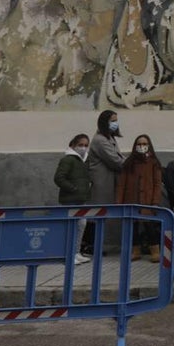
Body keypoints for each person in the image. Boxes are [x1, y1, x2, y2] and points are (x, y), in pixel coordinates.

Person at [81, 110, 123, 256]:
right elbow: (115, 160)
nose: (115, 123)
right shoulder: (100, 140)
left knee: (100, 214)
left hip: (107, 181)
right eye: (112, 120)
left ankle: (92, 244)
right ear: (104, 122)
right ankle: (88, 245)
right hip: (101, 182)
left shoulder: (109, 138)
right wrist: (130, 166)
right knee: (96, 214)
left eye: (116, 120)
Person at [117, 134, 164, 262]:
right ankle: (135, 251)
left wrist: (155, 201)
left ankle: (155, 251)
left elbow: (157, 184)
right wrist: (119, 202)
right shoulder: (129, 162)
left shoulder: (154, 162)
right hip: (131, 199)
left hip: (147, 200)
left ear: (149, 146)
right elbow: (122, 183)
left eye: (144, 144)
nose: (141, 146)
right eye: (139, 144)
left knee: (149, 226)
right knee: (133, 227)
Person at [54, 133, 92, 266]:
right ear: (73, 145)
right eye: (80, 145)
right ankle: (68, 254)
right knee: (71, 227)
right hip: (70, 200)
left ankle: (76, 252)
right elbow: (59, 178)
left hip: (81, 199)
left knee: (81, 225)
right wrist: (73, 188)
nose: (83, 148)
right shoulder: (68, 160)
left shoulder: (84, 159)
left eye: (86, 145)